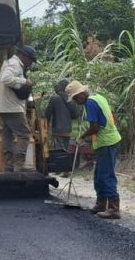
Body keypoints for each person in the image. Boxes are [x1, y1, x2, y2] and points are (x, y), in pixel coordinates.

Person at [65, 80, 122, 219]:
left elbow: (95, 127)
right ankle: (101, 204)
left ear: (80, 94)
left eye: (75, 98)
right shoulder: (99, 97)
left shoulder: (89, 103)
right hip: (107, 141)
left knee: (106, 174)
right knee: (99, 174)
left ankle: (113, 208)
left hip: (107, 142)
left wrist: (82, 138)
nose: (75, 102)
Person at [0, 44, 37, 172]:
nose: (30, 63)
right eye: (30, 60)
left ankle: (8, 163)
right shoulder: (15, 64)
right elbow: (6, 78)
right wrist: (25, 82)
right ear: (24, 56)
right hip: (12, 107)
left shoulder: (9, 62)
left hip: (3, 106)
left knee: (7, 134)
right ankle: (19, 164)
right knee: (24, 134)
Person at [46, 78, 81, 153]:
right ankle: (66, 164)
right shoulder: (70, 99)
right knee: (65, 151)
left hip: (57, 130)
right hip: (68, 130)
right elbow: (75, 114)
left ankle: (60, 164)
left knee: (58, 151)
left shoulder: (54, 98)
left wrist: (45, 127)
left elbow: (47, 114)